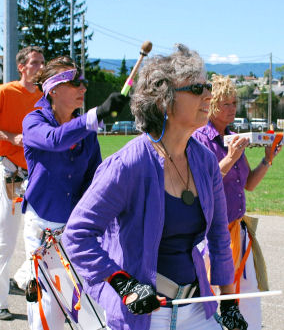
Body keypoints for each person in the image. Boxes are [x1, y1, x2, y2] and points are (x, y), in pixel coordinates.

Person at [62, 45, 248, 330]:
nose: (208, 95)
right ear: (164, 100)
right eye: (197, 88)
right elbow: (77, 234)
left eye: (207, 86)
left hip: (198, 310)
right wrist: (122, 284)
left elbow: (219, 235)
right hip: (143, 318)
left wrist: (228, 302)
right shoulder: (127, 165)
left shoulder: (206, 161)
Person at [21, 55, 129, 329]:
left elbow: (94, 179)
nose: (83, 88)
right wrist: (97, 115)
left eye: (84, 83)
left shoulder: (87, 132)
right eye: (74, 82)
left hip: (76, 231)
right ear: (52, 89)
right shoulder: (33, 121)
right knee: (47, 310)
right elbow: (54, 140)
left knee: (89, 307)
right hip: (41, 228)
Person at [192, 74, 281, 330]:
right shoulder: (199, 139)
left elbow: (249, 184)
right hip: (210, 234)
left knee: (248, 293)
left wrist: (268, 158)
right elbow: (203, 186)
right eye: (226, 104)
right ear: (211, 106)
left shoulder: (233, 136)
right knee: (210, 297)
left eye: (234, 103)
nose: (233, 109)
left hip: (238, 231)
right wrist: (231, 157)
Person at [0, 46, 45, 321]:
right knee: (6, 239)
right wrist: (11, 137)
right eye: (35, 63)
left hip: (38, 174)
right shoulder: (3, 92)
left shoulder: (44, 97)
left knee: (39, 239)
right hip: (12, 174)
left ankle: (30, 286)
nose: (40, 67)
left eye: (42, 63)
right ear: (22, 67)